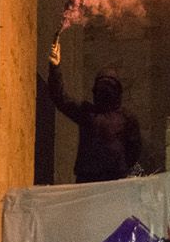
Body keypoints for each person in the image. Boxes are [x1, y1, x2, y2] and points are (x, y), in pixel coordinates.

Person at [46, 41, 142, 183]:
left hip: (110, 179)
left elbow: (134, 151)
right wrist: (55, 67)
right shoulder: (88, 112)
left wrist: (120, 168)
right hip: (93, 179)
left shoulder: (125, 118)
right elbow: (59, 97)